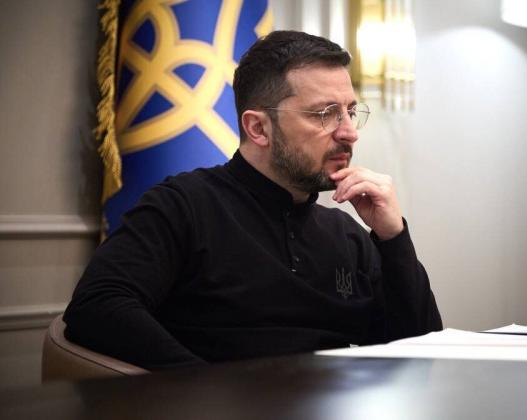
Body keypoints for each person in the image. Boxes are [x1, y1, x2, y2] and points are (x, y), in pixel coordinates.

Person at [64, 30, 443, 370]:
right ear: (258, 127)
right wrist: (207, 390)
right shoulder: (185, 206)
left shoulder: (346, 234)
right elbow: (97, 306)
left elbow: (421, 351)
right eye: (326, 114)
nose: (349, 133)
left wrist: (393, 238)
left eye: (350, 112)